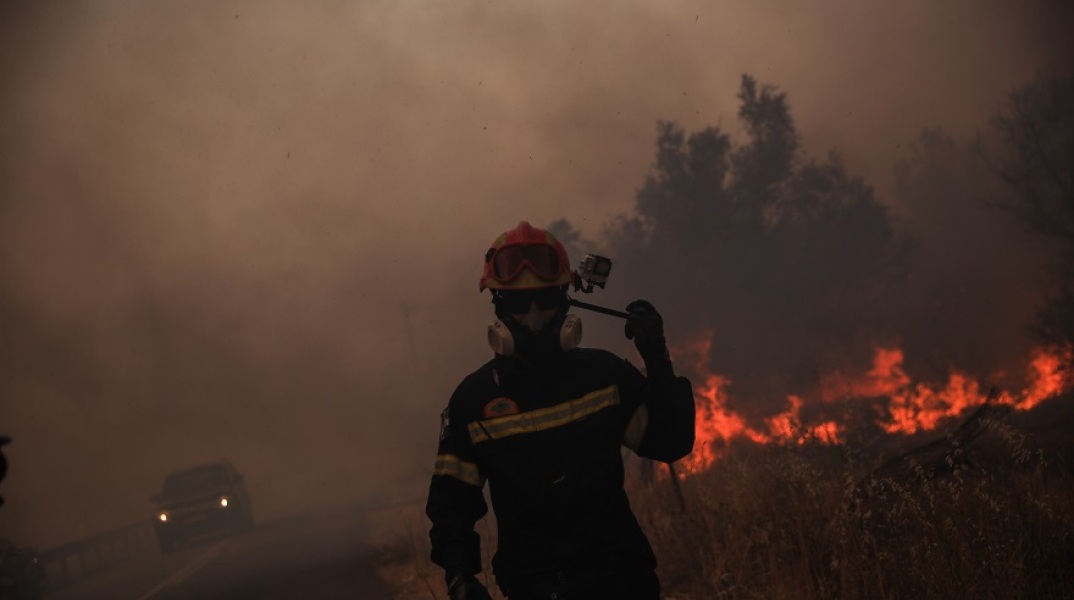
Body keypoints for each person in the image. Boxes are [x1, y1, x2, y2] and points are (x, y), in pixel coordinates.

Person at [426, 221, 695, 600]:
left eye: (545, 299)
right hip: (535, 586)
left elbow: (669, 442)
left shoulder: (605, 377)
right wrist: (460, 579)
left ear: (566, 299)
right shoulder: (474, 402)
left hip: (622, 578)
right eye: (519, 304)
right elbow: (452, 505)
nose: (534, 316)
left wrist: (658, 360)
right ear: (499, 307)